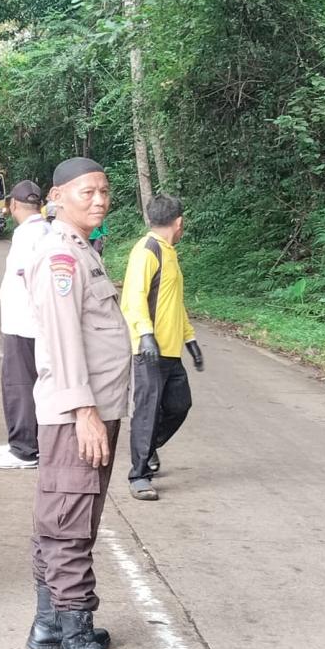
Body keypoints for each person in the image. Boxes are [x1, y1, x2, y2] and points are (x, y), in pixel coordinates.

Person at [24, 156, 136, 649]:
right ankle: (76, 643)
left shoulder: (83, 249)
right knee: (69, 523)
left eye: (104, 191)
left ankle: (50, 623)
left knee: (69, 514)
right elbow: (63, 340)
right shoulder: (61, 257)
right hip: (79, 415)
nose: (99, 200)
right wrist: (84, 411)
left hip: (95, 409)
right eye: (87, 191)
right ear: (58, 196)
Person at [119, 194, 205, 502]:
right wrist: (145, 334)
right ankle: (139, 475)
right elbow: (133, 297)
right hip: (149, 350)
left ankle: (148, 445)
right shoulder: (147, 250)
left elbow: (174, 303)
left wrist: (190, 339)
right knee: (147, 411)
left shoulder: (169, 253)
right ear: (179, 222)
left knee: (179, 405)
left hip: (170, 349)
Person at [0, 180, 52, 471]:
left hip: (24, 324)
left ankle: (24, 449)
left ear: (13, 205)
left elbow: (29, 278)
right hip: (35, 325)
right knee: (32, 385)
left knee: (19, 386)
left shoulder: (27, 234)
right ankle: (29, 442)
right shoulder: (45, 230)